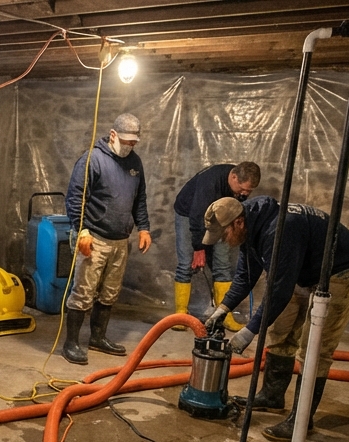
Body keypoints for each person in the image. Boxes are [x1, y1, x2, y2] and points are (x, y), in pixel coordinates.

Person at [202, 196, 349, 441]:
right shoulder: (249, 224)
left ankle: (301, 421)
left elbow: (279, 290)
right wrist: (222, 309)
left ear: (237, 223)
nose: (223, 241)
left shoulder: (280, 230)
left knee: (315, 347)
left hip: (339, 272)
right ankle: (271, 396)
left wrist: (249, 331)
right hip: (302, 268)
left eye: (223, 234)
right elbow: (246, 275)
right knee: (281, 331)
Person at [61, 112, 152, 364]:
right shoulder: (92, 160)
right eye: (125, 141)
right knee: (83, 292)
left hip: (120, 240)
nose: (129, 146)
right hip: (95, 237)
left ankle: (97, 337)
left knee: (110, 292)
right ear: (113, 135)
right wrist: (82, 230)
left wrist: (143, 227)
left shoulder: (135, 164)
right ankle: (71, 343)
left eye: (134, 142)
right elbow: (75, 197)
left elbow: (139, 199)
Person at [172, 161, 262, 330]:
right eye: (242, 189)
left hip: (220, 216)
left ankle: (224, 316)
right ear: (233, 177)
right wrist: (199, 248)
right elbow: (197, 217)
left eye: (248, 192)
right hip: (189, 214)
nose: (244, 194)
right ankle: (180, 314)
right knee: (186, 264)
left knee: (222, 264)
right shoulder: (210, 183)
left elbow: (236, 207)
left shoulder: (239, 187)